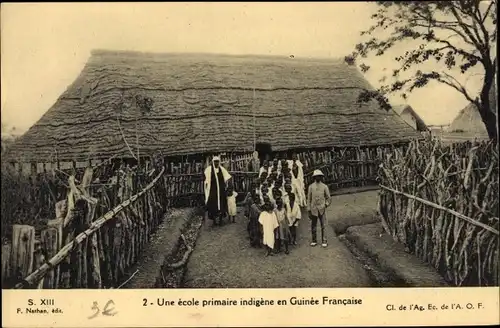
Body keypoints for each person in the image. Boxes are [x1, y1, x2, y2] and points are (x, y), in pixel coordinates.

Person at [204, 156, 232, 227]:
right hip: (213, 191)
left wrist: (227, 186)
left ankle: (220, 220)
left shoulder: (222, 169)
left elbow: (228, 177)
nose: (216, 163)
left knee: (222, 205)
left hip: (221, 191)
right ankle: (214, 221)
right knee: (213, 205)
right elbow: (206, 179)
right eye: (215, 161)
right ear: (213, 162)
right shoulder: (209, 169)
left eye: (217, 161)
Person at [307, 169, 331, 247]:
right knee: (313, 225)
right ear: (314, 177)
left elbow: (328, 198)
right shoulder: (311, 187)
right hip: (313, 209)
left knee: (323, 225)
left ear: (321, 177)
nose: (318, 178)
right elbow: (309, 199)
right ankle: (314, 240)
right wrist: (309, 209)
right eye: (316, 176)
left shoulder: (324, 186)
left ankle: (324, 241)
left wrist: (326, 205)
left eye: (319, 176)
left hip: (322, 208)